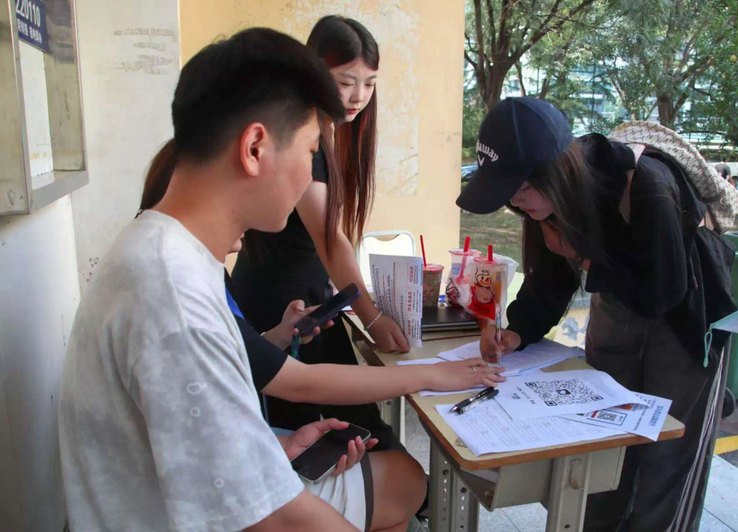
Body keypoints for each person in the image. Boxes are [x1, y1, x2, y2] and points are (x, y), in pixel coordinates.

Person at [59, 28, 425, 532]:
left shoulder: (166, 252)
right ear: (255, 148)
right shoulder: (173, 299)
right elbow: (275, 521)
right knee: (405, 480)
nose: (310, 176)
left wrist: (273, 444)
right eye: (310, 151)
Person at [458, 97, 734, 532]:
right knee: (603, 440)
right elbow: (549, 277)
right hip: (619, 300)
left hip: (684, 315)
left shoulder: (647, 186)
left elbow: (663, 291)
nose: (515, 201)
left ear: (554, 171)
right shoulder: (543, 199)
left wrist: (587, 259)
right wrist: (518, 332)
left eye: (521, 189)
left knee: (665, 453)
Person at [139, 139, 506, 415]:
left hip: (239, 436)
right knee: (402, 476)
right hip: (226, 462)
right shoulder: (182, 282)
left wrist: (279, 335)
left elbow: (237, 357)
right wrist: (430, 374)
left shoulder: (189, 263)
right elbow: (299, 382)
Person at [229, 16, 407, 449]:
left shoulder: (322, 132)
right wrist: (372, 317)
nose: (358, 96)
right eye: (346, 81)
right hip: (281, 310)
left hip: (308, 305)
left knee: (356, 433)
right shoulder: (305, 138)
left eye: (370, 84)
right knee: (334, 438)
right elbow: (330, 240)